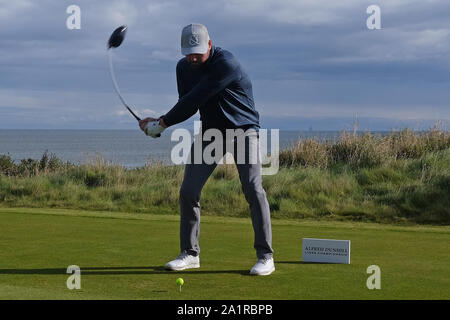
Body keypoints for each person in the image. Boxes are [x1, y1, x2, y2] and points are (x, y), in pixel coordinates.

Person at [139, 23, 274, 275]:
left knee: (253, 189)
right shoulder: (183, 67)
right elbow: (187, 105)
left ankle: (265, 256)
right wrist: (159, 122)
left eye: (198, 53)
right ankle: (190, 254)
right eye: (188, 53)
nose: (193, 58)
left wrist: (163, 123)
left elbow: (198, 96)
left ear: (209, 45)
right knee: (188, 190)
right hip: (212, 133)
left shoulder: (226, 63)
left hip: (243, 129)